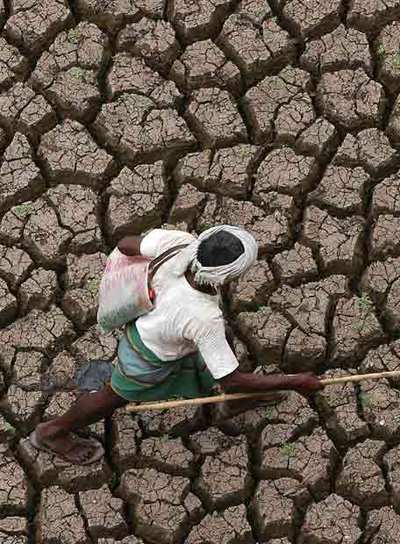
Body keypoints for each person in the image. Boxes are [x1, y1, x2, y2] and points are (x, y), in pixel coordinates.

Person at [30, 225, 321, 465]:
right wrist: (296, 381)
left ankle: (240, 401)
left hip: (150, 320)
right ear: (229, 277)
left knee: (217, 354)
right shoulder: (204, 318)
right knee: (114, 395)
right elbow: (230, 379)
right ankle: (52, 432)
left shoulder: (180, 243)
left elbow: (127, 243)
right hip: (148, 353)